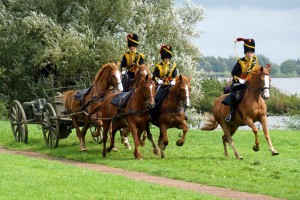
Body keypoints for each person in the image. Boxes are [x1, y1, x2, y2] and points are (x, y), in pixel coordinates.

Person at [225, 38, 259, 122]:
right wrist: (240, 79)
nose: (249, 54)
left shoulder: (255, 60)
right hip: (240, 83)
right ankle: (231, 114)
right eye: (248, 53)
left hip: (251, 83)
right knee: (234, 96)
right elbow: (233, 73)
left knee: (260, 92)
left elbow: (257, 70)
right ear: (245, 53)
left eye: (251, 53)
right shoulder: (240, 61)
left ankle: (264, 111)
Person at [151, 44, 187, 120]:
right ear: (163, 58)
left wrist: (173, 81)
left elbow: (174, 76)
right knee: (157, 97)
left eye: (168, 58)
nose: (167, 59)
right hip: (161, 86)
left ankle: (184, 113)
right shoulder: (158, 66)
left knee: (180, 96)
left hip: (170, 85)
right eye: (165, 58)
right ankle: (152, 114)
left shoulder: (173, 66)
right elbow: (154, 77)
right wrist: (159, 80)